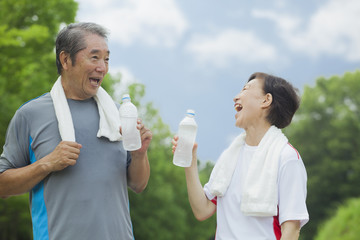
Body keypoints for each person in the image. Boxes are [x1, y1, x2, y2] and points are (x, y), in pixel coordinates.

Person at [0, 22, 152, 240]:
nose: (103, 67)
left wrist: (139, 155)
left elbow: (138, 185)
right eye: (94, 57)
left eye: (106, 59)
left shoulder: (118, 116)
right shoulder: (30, 115)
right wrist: (46, 164)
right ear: (65, 60)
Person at [172, 72, 309, 240]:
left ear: (266, 100)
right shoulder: (230, 157)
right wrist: (189, 161)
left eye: (245, 89)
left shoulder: (286, 157)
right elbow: (203, 210)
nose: (236, 97)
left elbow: (291, 229)